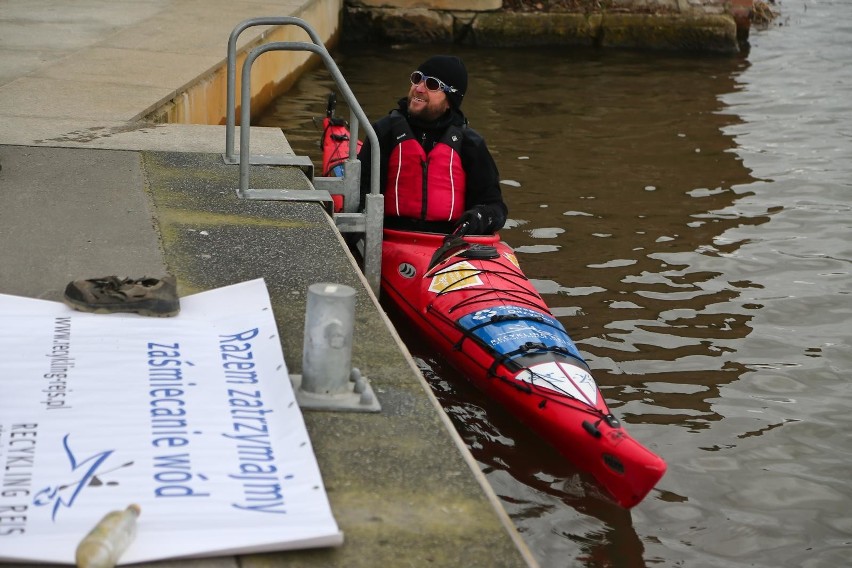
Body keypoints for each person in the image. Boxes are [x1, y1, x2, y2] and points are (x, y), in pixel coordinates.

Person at [357, 55, 507, 235]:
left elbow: (496, 207)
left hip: (447, 243)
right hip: (390, 237)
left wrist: (480, 217)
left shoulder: (471, 144)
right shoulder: (383, 132)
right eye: (417, 78)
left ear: (450, 99)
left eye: (432, 85)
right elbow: (361, 191)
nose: (419, 88)